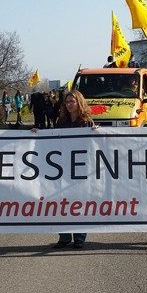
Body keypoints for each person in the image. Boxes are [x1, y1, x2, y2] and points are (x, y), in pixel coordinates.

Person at [53, 90, 96, 249]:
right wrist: (36, 133)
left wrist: (97, 132)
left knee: (79, 202)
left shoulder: (87, 121)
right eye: (67, 102)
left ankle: (79, 237)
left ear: (79, 102)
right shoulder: (61, 121)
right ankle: (64, 237)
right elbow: (51, 140)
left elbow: (93, 143)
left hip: (81, 168)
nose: (69, 104)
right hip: (63, 167)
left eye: (72, 101)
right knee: (61, 202)